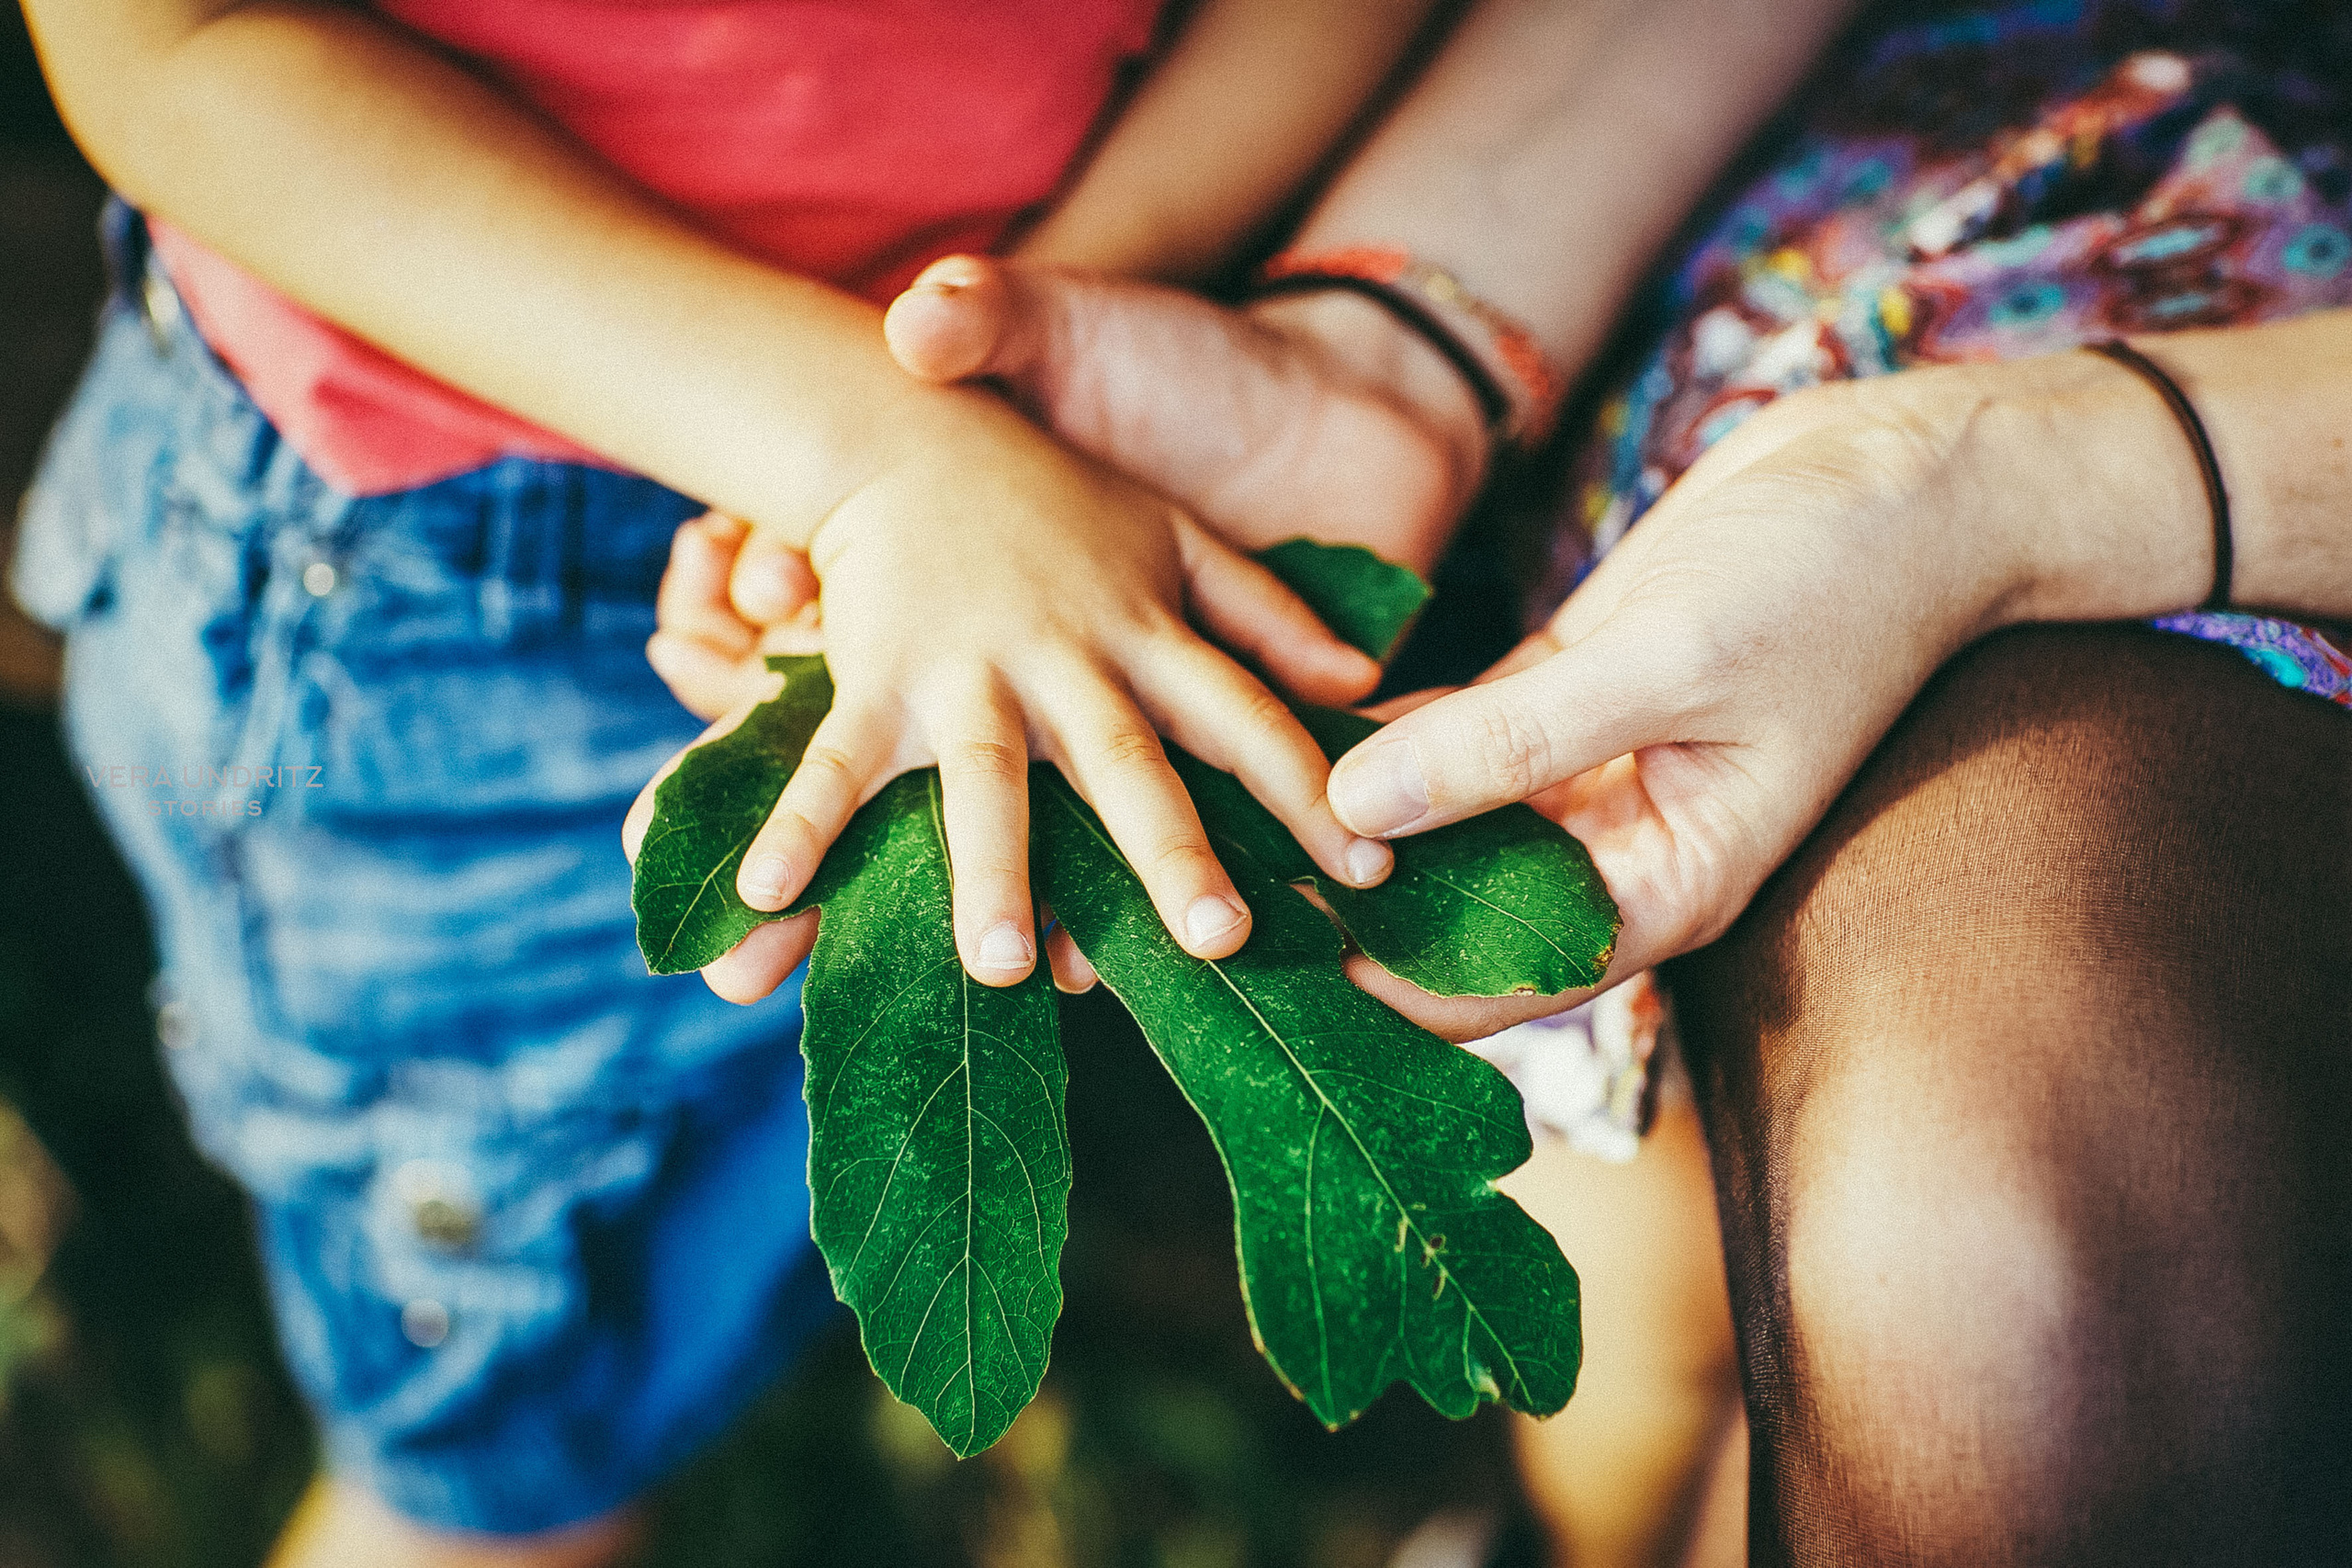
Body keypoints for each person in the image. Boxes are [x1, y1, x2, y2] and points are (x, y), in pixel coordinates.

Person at [663, 0, 2352, 1562]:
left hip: (2215, 336)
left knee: (1998, 1318)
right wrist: (1386, 352)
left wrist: (2011, 489)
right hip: (1751, 228)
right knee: (1668, 1290)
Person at [7, 2, 1457, 1562]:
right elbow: (168, 45)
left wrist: (1023, 335)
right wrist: (880, 446)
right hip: (439, 564)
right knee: (504, 1396)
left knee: (742, 1158)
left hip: (1044, 393)